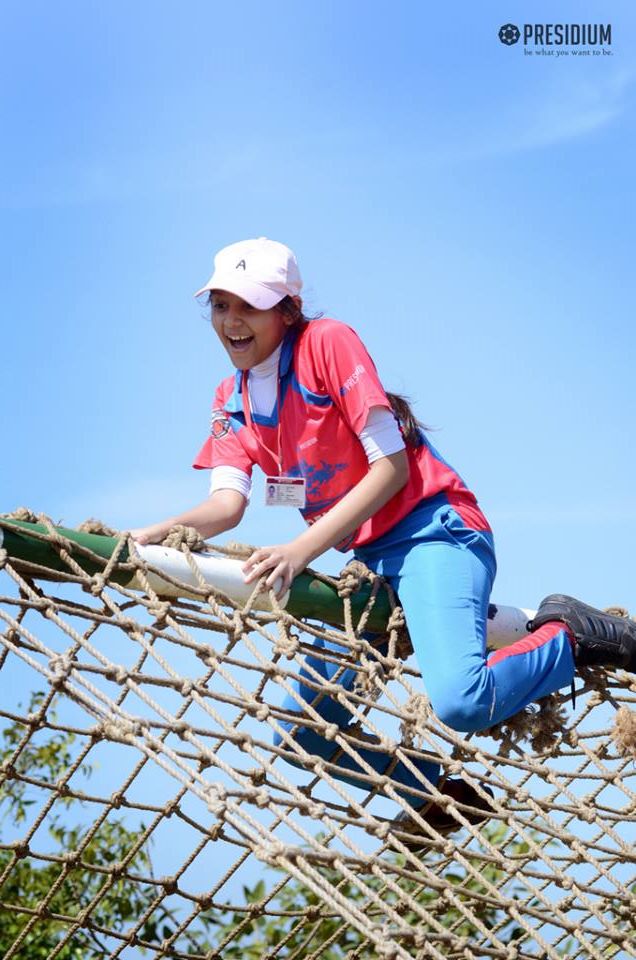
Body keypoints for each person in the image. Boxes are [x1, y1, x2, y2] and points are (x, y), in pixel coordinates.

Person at [131, 237, 636, 846]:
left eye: (249, 305)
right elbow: (227, 505)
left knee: (461, 702)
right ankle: (440, 792)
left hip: (433, 534)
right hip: (369, 561)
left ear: (287, 310)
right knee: (306, 730)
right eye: (219, 305)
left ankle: (570, 636)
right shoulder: (230, 399)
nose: (231, 321)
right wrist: (151, 535)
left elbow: (391, 468)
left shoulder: (325, 344)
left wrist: (300, 552)